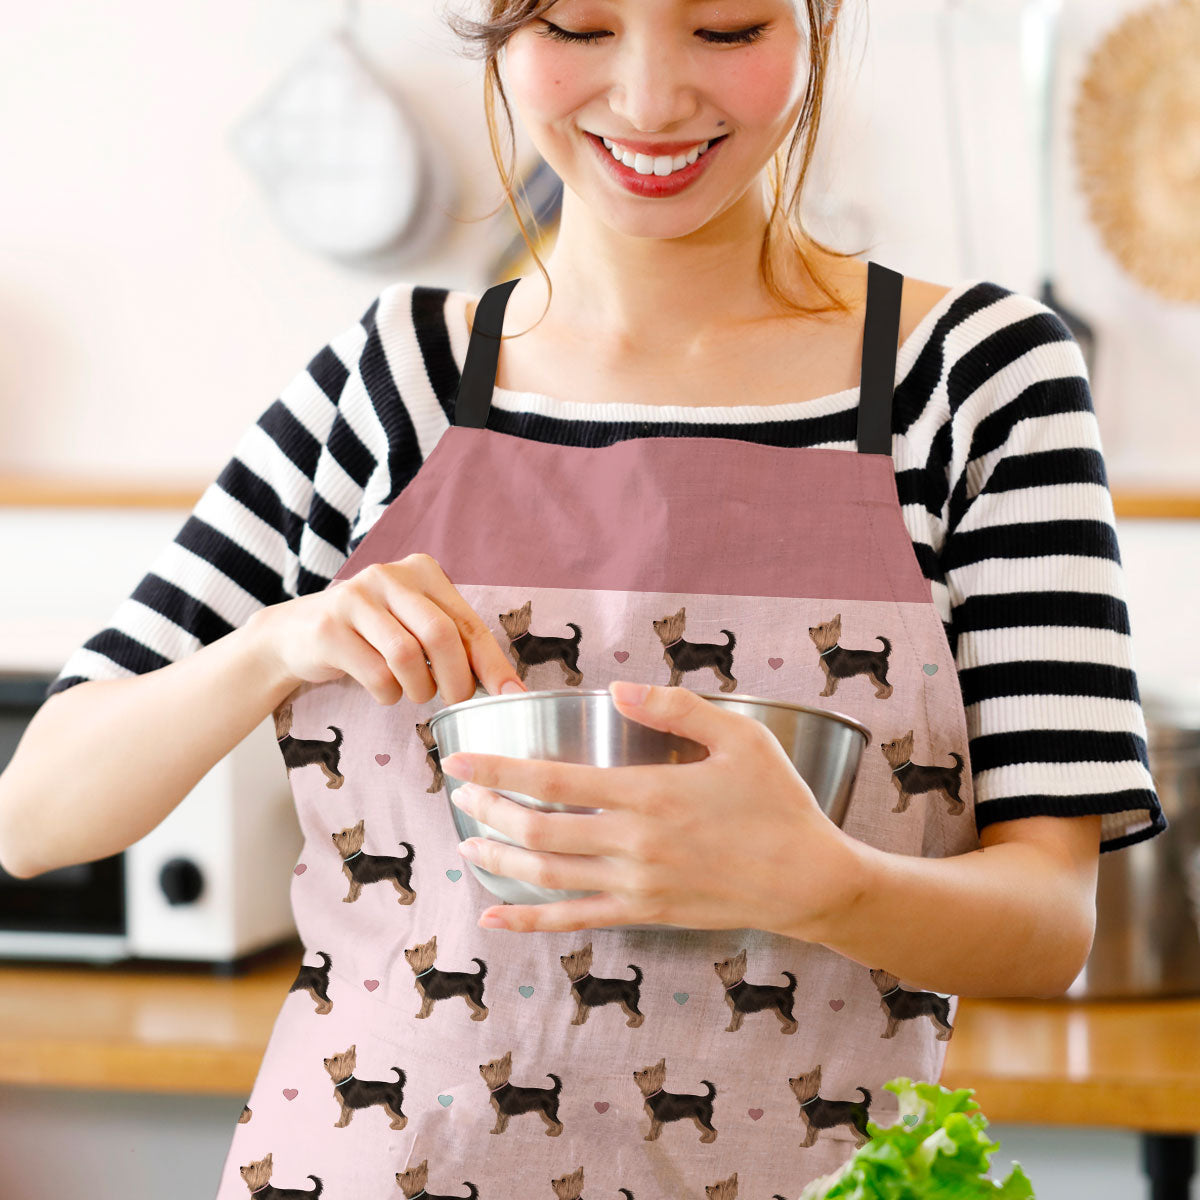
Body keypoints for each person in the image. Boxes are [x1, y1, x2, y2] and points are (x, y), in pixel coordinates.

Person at [0, 0, 1166, 1195]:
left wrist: (826, 885)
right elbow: (34, 816)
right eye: (578, 26)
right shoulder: (396, 381)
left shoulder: (975, 382)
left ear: (814, 22)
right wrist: (276, 642)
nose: (651, 101)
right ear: (500, 31)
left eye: (727, 28)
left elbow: (1047, 925)